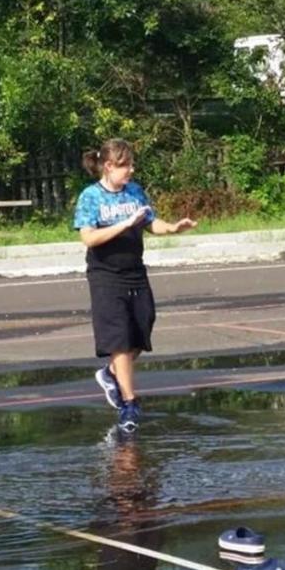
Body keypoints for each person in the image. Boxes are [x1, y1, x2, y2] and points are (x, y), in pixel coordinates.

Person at [73, 139, 197, 432]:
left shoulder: (134, 191)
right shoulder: (90, 197)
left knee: (142, 330)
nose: (131, 169)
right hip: (106, 275)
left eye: (131, 164)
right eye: (125, 165)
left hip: (135, 272)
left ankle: (110, 373)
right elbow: (89, 238)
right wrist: (124, 225)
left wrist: (173, 228)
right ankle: (129, 405)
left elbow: (150, 222)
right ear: (108, 166)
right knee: (120, 340)